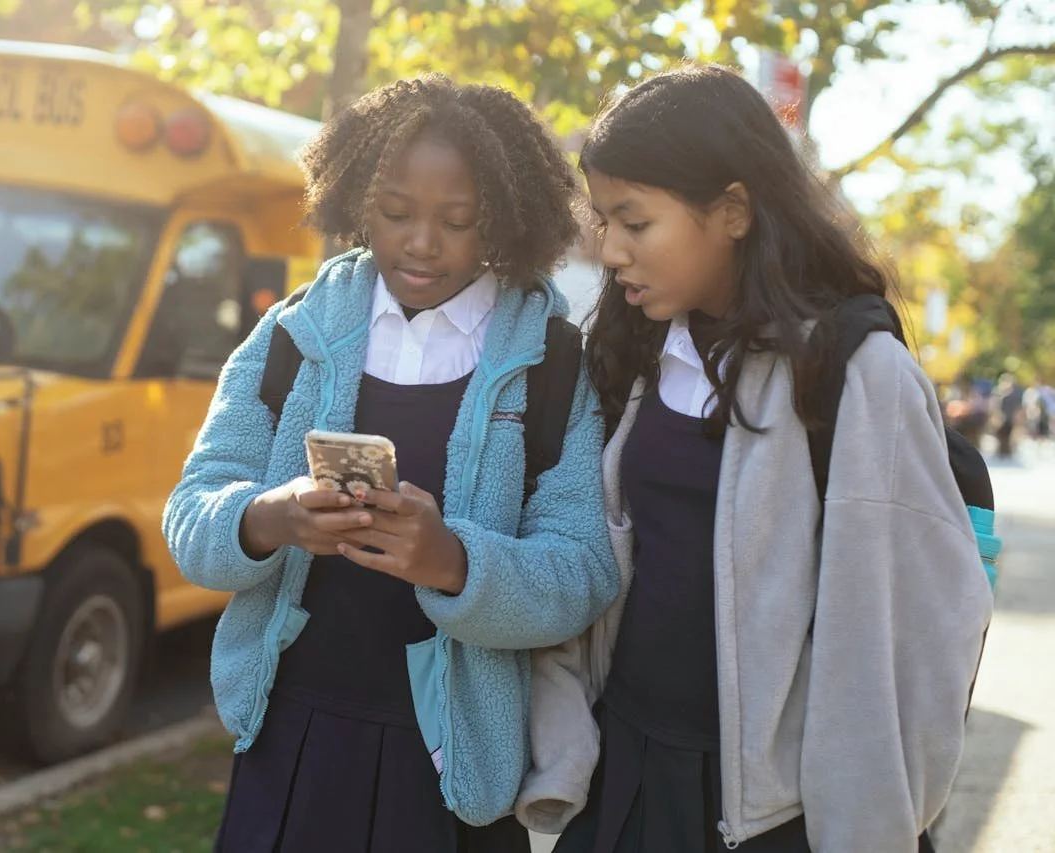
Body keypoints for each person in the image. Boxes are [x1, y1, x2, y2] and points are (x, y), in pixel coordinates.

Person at [518, 65, 993, 853]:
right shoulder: (631, 355)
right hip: (627, 779)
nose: (609, 250)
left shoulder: (856, 371)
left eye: (635, 223)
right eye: (602, 222)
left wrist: (865, 827)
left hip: (781, 813)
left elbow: (915, 639)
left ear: (732, 210)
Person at [163, 74, 619, 853]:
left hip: (454, 764)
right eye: (396, 212)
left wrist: (453, 562)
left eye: (458, 220)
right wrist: (266, 517)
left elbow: (582, 574)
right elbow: (191, 512)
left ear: (503, 221)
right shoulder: (290, 335)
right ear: (356, 200)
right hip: (292, 734)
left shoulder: (552, 364)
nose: (420, 242)